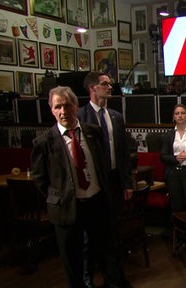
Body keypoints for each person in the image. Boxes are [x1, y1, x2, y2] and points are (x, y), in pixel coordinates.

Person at [31, 86, 132, 288]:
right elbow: (40, 179)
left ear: (76, 106)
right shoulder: (44, 142)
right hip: (68, 210)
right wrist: (60, 198)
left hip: (97, 204)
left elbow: (102, 167)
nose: (63, 111)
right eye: (57, 107)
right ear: (51, 110)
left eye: (66, 105)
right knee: (73, 265)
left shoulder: (93, 132)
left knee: (108, 256)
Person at [78, 71, 134, 287]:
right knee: (89, 236)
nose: (110, 87)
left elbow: (123, 154)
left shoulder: (116, 117)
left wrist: (127, 183)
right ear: (93, 88)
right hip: (92, 183)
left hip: (113, 180)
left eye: (109, 84)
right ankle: (87, 279)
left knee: (112, 232)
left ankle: (114, 279)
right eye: (105, 84)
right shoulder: (81, 116)